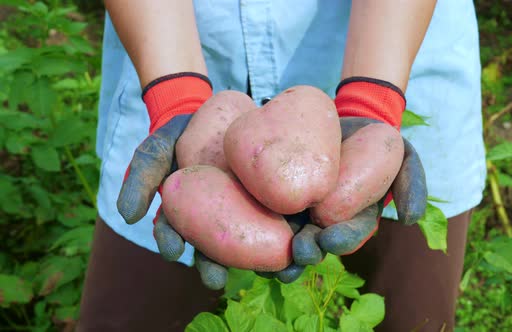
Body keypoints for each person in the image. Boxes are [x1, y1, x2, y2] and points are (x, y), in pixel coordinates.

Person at [76, 0, 486, 331]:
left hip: (396, 40)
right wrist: (175, 95)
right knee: (127, 314)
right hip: (165, 40)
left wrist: (371, 100)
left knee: (415, 318)